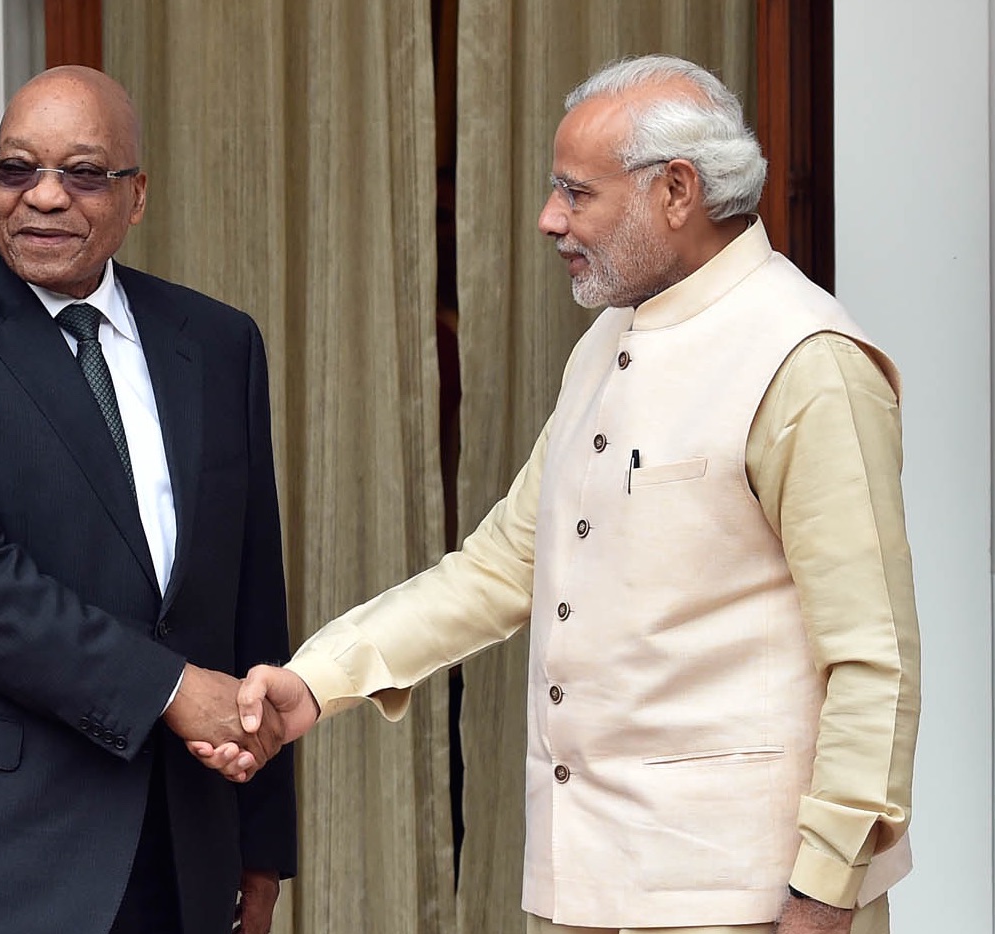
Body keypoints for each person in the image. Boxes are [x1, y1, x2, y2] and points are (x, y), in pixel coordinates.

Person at [193, 55, 920, 934]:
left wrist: (825, 890)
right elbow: (499, 568)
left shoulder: (806, 360)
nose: (549, 219)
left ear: (677, 191)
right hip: (583, 886)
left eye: (577, 193)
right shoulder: (610, 337)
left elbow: (871, 660)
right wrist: (316, 682)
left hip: (745, 902)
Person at [0, 65, 295, 934]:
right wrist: (167, 690)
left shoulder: (218, 340)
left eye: (83, 174)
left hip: (179, 845)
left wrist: (261, 842)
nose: (43, 198)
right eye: (16, 170)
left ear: (137, 194)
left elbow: (248, 596)